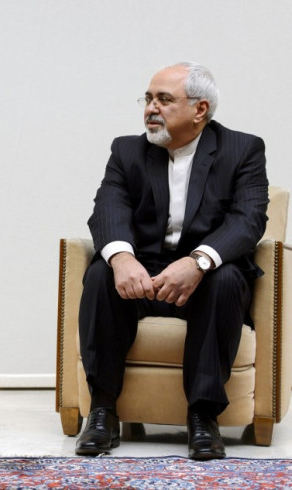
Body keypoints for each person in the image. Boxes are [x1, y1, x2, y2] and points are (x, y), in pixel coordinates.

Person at [76, 62, 268, 460]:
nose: (151, 108)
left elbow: (248, 219)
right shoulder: (126, 150)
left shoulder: (242, 150)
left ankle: (202, 416)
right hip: (144, 275)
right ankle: (102, 411)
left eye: (164, 99)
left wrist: (199, 262)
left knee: (228, 277)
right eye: (148, 98)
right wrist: (122, 258)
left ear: (200, 110)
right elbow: (109, 206)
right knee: (100, 273)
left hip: (206, 280)